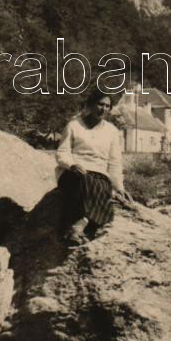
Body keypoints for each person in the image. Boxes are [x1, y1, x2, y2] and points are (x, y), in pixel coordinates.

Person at [56, 88, 125, 245]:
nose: (103, 109)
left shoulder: (112, 131)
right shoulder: (74, 125)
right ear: (90, 104)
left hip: (99, 174)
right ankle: (85, 226)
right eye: (100, 104)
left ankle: (79, 225)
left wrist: (119, 187)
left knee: (104, 188)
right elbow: (62, 153)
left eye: (107, 106)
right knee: (86, 182)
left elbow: (114, 162)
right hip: (73, 172)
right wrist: (71, 165)